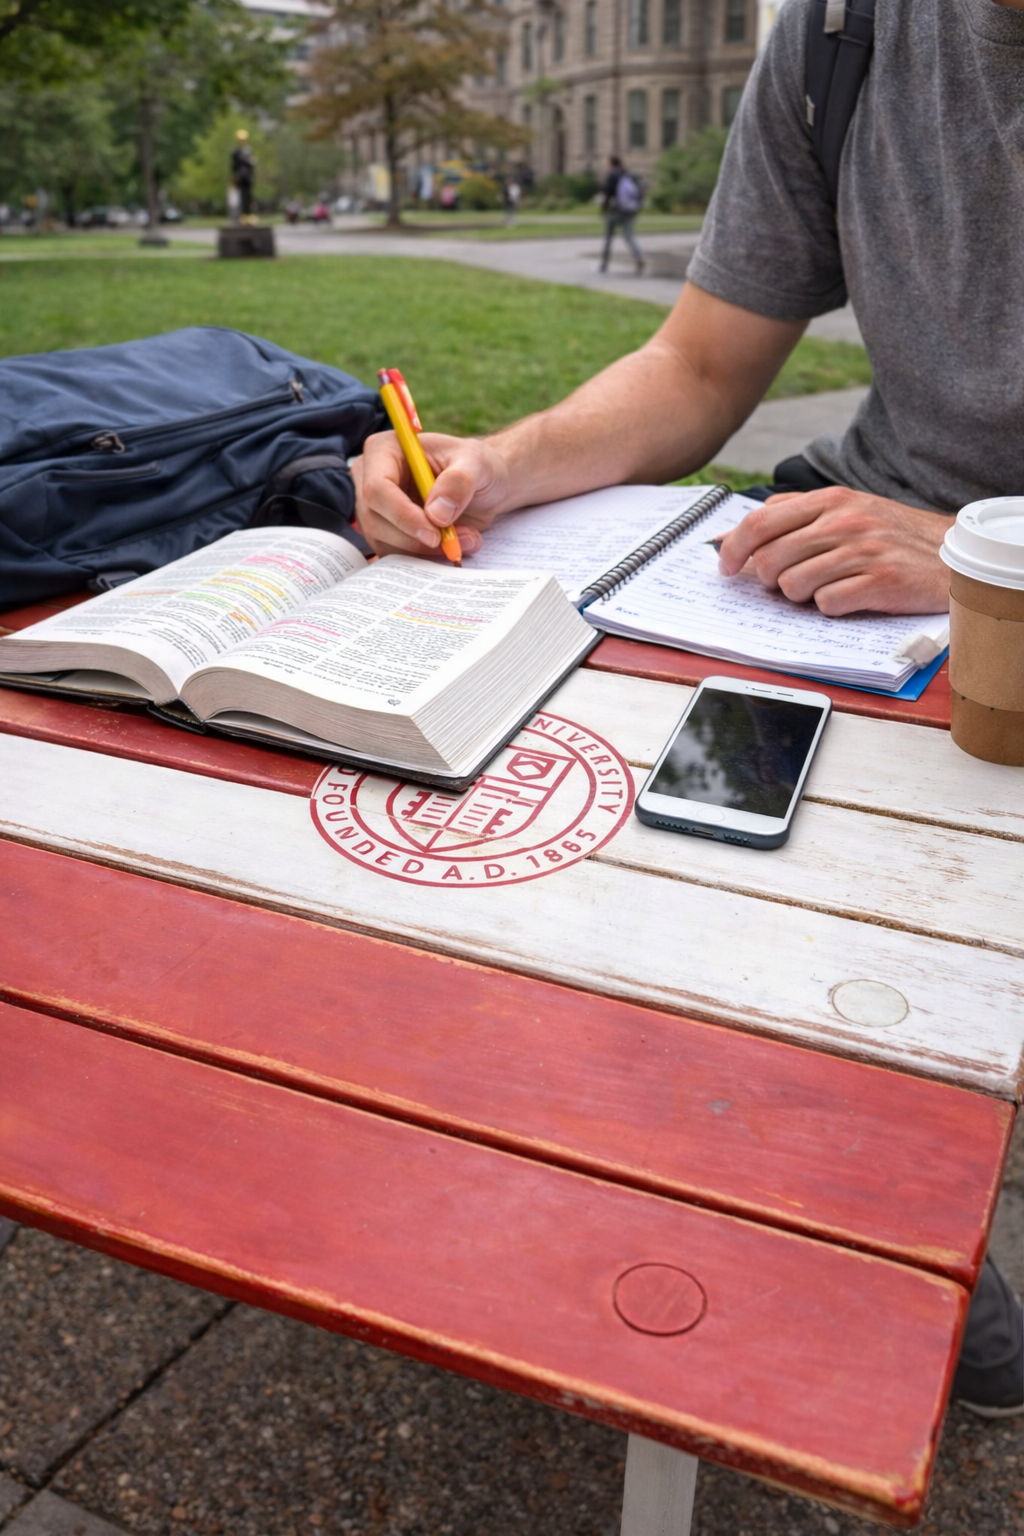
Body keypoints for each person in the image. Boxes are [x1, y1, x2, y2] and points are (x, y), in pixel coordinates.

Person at [356, 0, 1024, 1416]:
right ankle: (819, 1157)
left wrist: (971, 549)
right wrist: (498, 464)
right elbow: (704, 363)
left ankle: (917, 1211)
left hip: (972, 577)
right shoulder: (849, 34)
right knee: (618, 804)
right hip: (846, 530)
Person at [599, 155, 645, 275]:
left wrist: (603, 208)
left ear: (610, 163)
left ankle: (604, 263)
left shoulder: (612, 175)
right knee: (629, 236)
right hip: (630, 210)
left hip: (615, 210)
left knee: (609, 237)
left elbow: (607, 193)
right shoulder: (628, 174)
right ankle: (639, 258)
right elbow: (639, 192)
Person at [230, 129, 257, 224]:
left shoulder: (248, 151)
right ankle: (241, 216)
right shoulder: (236, 152)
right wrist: (234, 181)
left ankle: (248, 215)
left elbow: (252, 166)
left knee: (249, 197)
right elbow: (234, 168)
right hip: (240, 179)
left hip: (247, 179)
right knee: (241, 197)